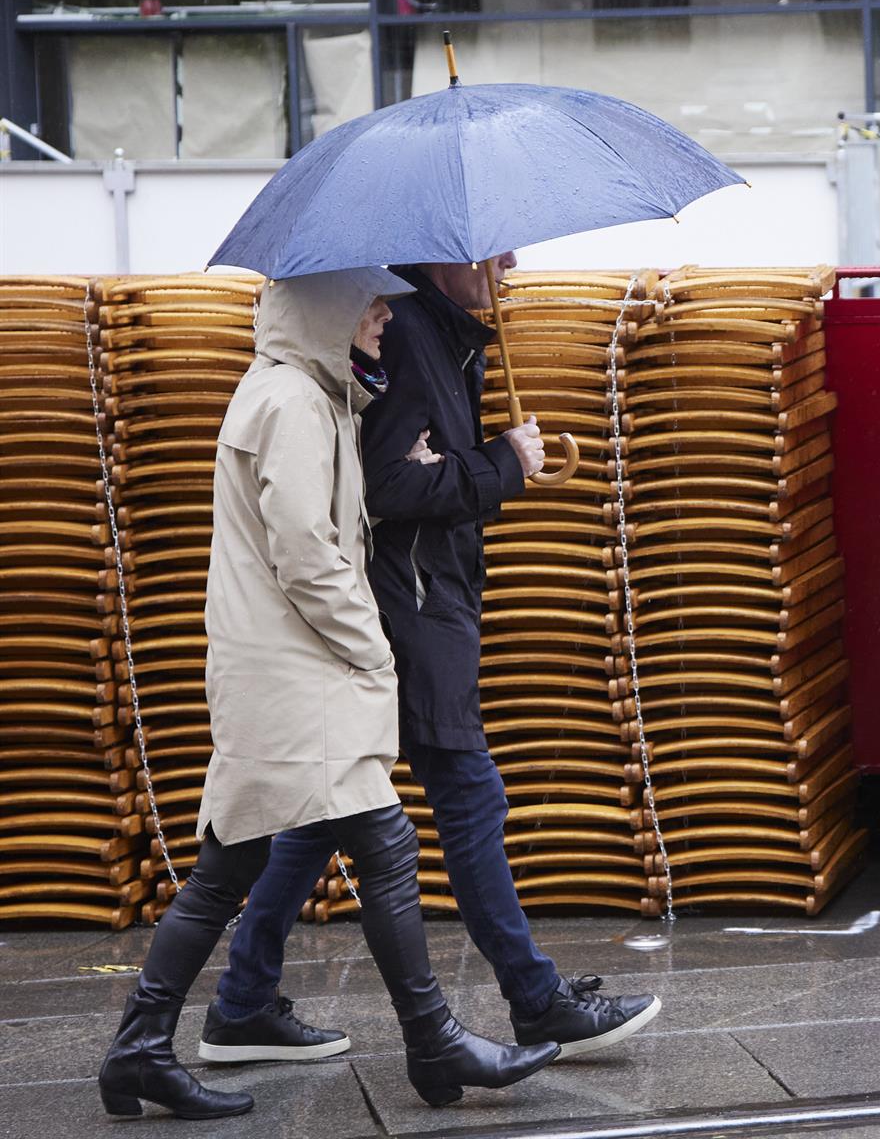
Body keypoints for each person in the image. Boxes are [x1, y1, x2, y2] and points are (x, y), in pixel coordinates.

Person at [98, 268, 560, 1120]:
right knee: (383, 850)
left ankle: (140, 1049)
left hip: (286, 671)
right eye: (370, 301)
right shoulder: (294, 407)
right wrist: (373, 650)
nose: (388, 313)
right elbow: (308, 555)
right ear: (324, 311)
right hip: (296, 673)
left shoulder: (312, 397)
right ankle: (435, 1044)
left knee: (228, 868)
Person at [196, 252, 660, 1069]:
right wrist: (500, 465)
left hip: (423, 603)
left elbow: (418, 468)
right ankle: (534, 999)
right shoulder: (404, 336)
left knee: (319, 814)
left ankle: (240, 1003)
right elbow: (385, 489)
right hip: (404, 613)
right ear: (446, 256)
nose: (511, 260)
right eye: (497, 247)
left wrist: (483, 455)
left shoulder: (445, 336)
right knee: (468, 796)